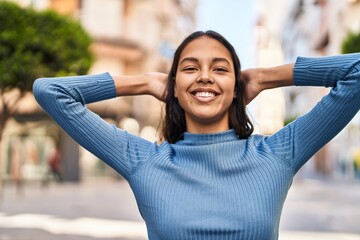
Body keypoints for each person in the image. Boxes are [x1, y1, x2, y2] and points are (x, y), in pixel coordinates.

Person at [33, 30, 360, 240]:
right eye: (190, 69)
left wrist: (265, 76)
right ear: (173, 85)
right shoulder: (144, 160)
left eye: (220, 69)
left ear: (236, 88)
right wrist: (145, 82)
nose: (205, 77)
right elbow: (50, 91)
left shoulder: (277, 154)